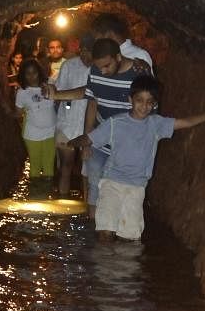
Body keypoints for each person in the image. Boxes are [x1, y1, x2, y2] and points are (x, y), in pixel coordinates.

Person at [70, 75, 205, 241]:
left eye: (149, 102)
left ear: (154, 104)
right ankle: (104, 266)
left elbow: (186, 122)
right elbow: (90, 138)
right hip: (112, 183)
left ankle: (121, 266)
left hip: (137, 187)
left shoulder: (156, 124)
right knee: (105, 232)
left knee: (129, 237)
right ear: (131, 99)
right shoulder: (115, 123)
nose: (144, 106)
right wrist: (73, 143)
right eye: (140, 100)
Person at [45, 36, 137, 216]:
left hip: (124, 142)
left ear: (118, 57)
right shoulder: (91, 69)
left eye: (107, 66)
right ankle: (91, 224)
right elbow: (91, 97)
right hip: (96, 136)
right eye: (99, 66)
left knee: (116, 186)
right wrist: (88, 137)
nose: (103, 71)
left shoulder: (138, 72)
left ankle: (114, 227)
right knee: (91, 182)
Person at [53, 34, 93, 197]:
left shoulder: (100, 67)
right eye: (83, 50)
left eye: (89, 51)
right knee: (66, 165)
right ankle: (63, 199)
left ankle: (87, 207)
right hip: (68, 123)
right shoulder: (69, 65)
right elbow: (59, 91)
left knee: (88, 169)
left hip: (90, 126)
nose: (85, 55)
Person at [14, 58, 57, 179]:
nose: (32, 76)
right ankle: (35, 195)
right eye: (28, 73)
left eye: (34, 72)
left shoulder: (51, 83)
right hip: (32, 134)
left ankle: (47, 194)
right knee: (35, 166)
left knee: (49, 165)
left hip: (51, 132)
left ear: (39, 71)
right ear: (23, 75)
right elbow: (18, 113)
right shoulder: (22, 92)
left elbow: (63, 102)